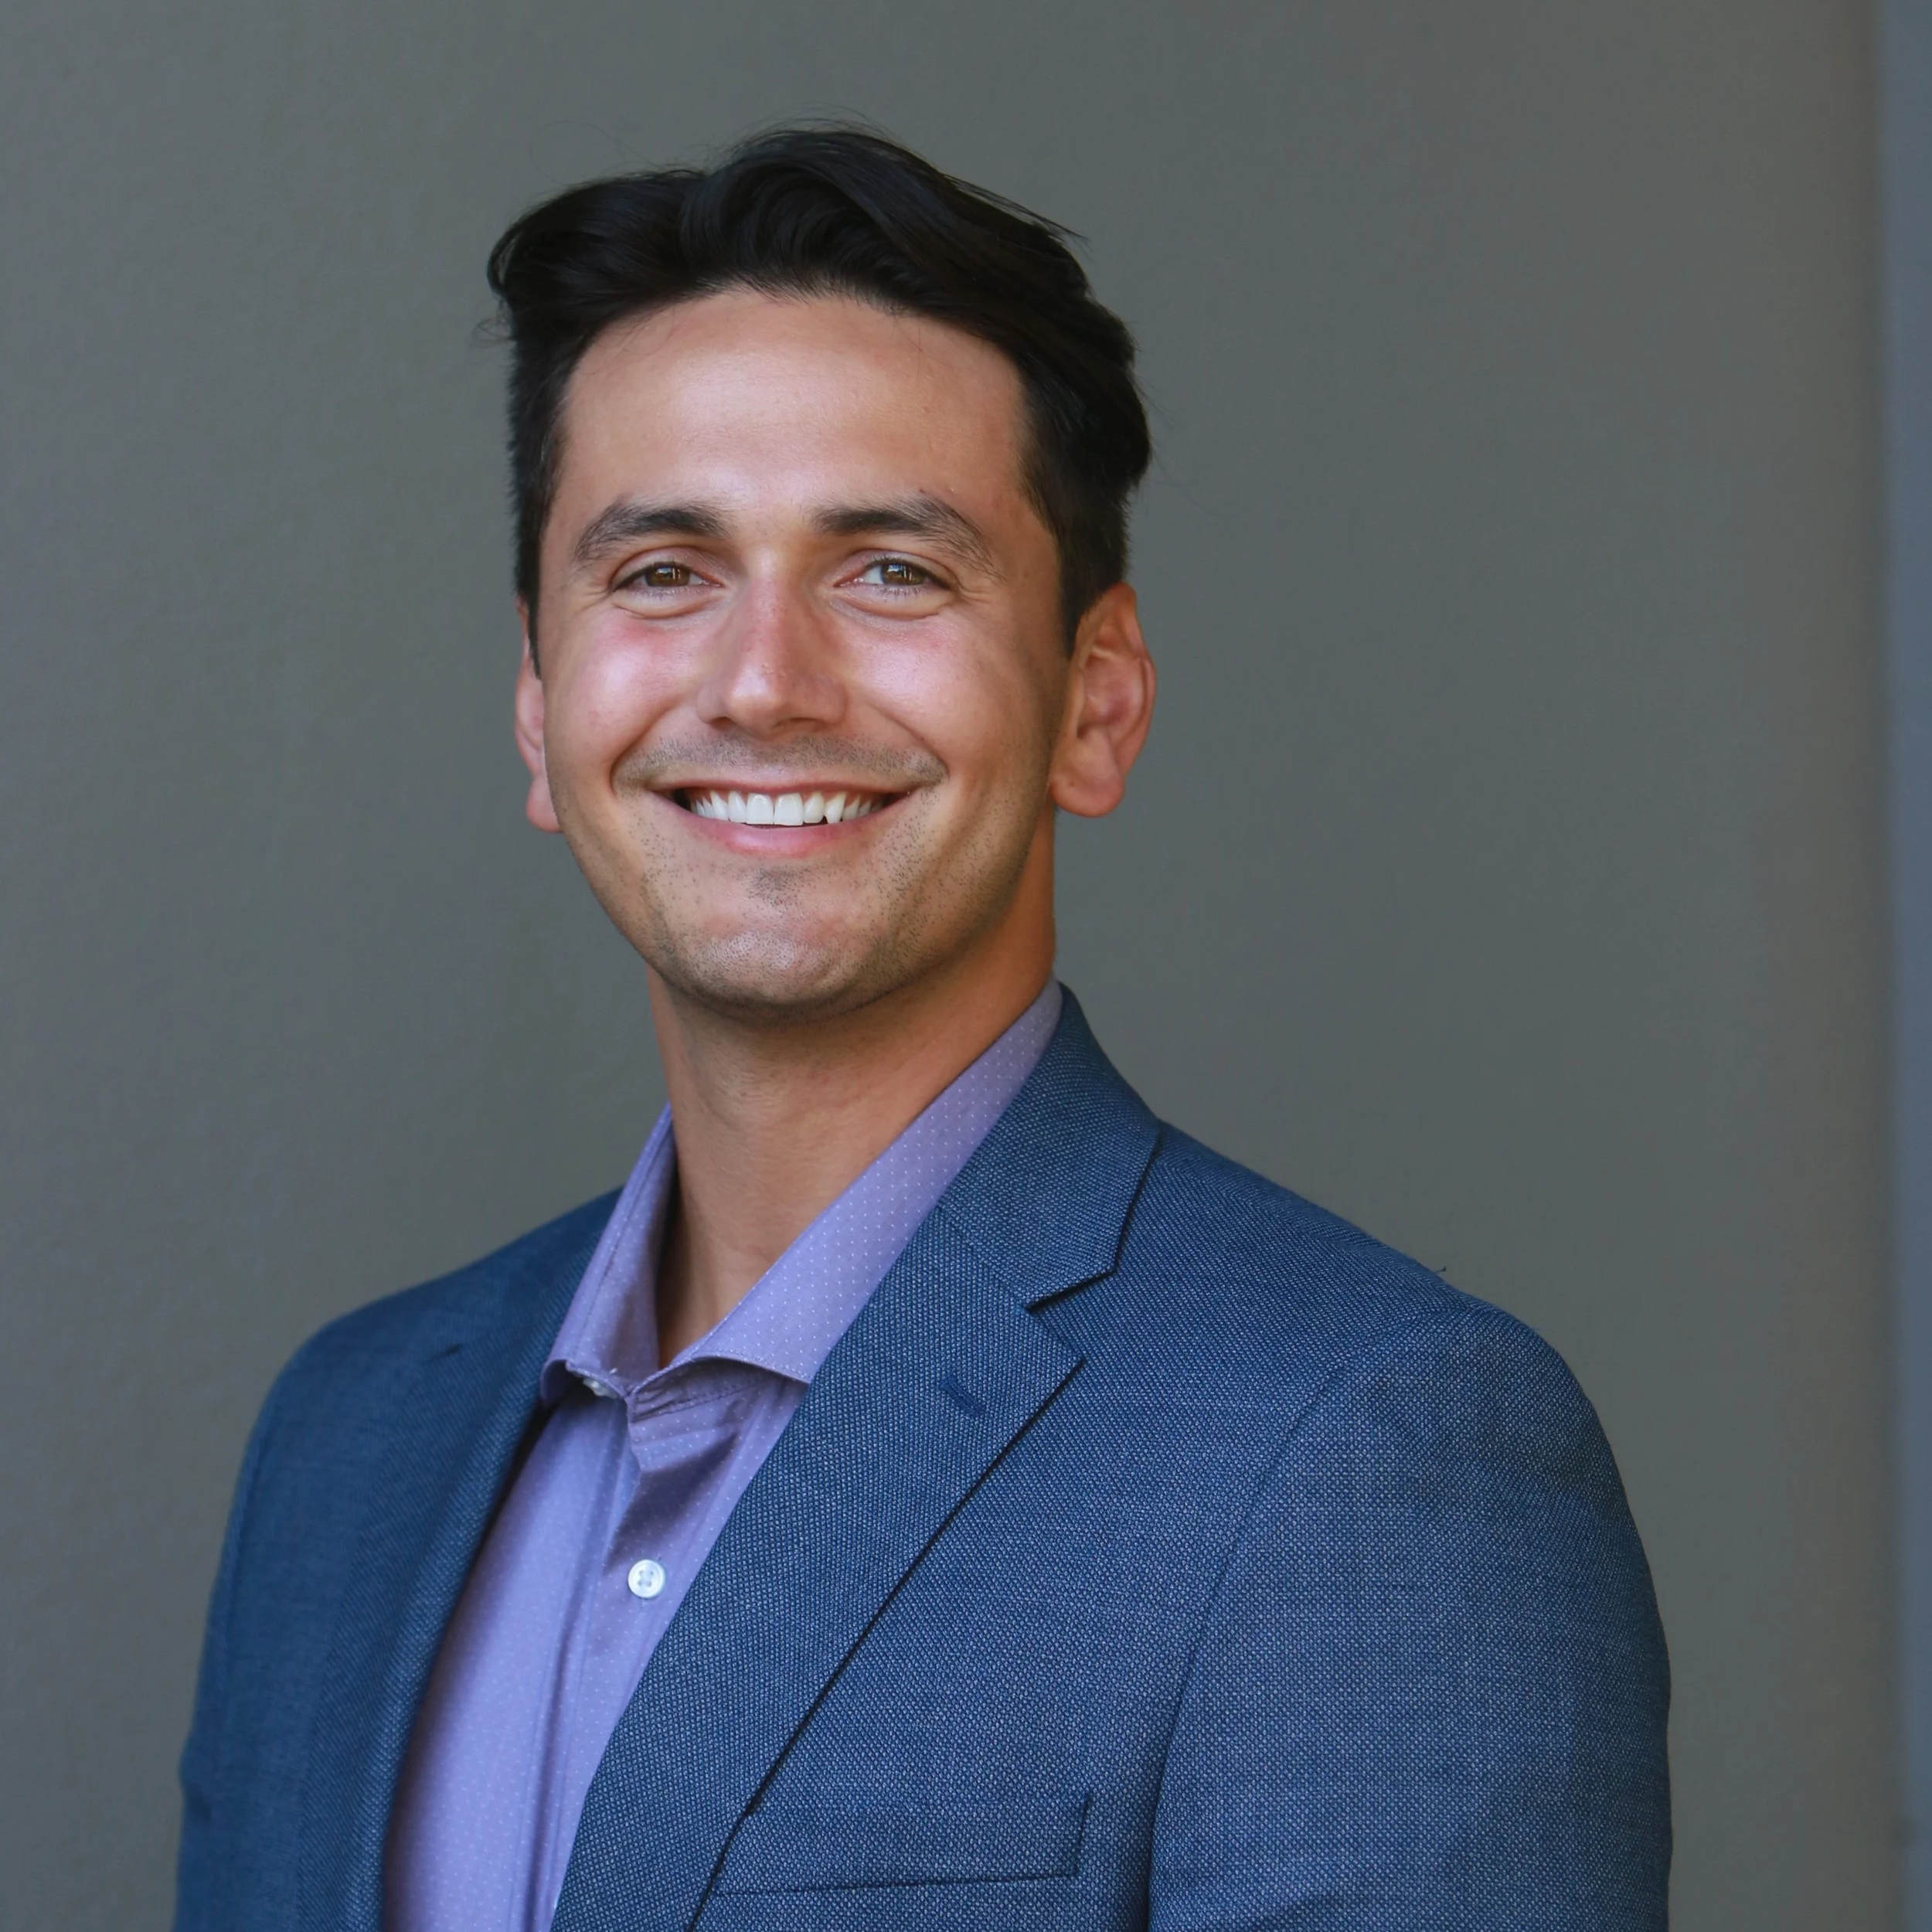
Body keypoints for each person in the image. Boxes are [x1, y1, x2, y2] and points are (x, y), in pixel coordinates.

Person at [173, 128, 1670, 1932]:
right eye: (660, 570)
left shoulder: (1365, 1451)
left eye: (890, 569)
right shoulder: (345, 1440)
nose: (760, 679)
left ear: (1092, 704)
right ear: (536, 697)